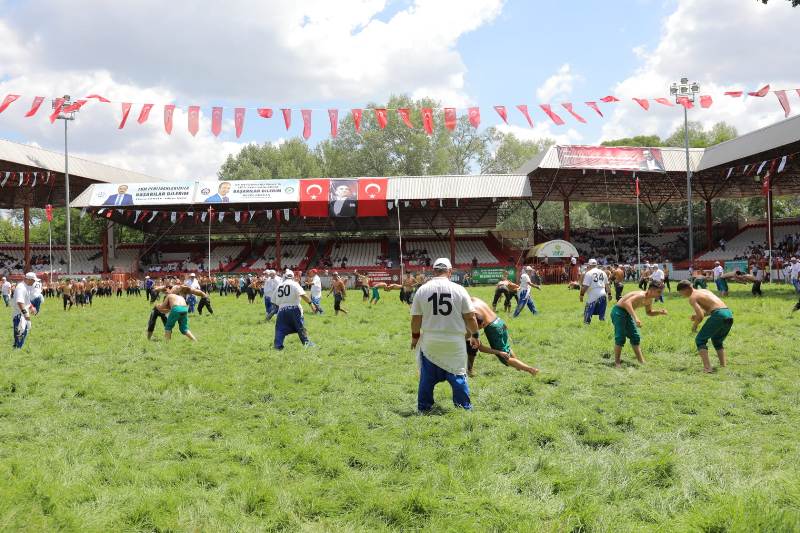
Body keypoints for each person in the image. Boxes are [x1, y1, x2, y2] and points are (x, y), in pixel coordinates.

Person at [411, 258, 479, 412]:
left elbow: (416, 319)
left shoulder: (422, 290)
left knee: (427, 378)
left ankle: (424, 408)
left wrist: (415, 337)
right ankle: (463, 408)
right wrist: (475, 335)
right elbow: (470, 316)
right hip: (454, 341)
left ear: (434, 270)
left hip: (430, 341)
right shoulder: (459, 289)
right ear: (450, 271)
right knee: (458, 376)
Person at [467, 297, 539, 377]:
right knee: (506, 347)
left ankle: (531, 370)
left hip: (492, 328)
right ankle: (519, 366)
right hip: (499, 321)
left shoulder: (469, 309)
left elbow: (480, 348)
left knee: (504, 358)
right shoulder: (475, 299)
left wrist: (498, 352)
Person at [677, 280, 734, 373]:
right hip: (728, 313)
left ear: (686, 289)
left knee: (700, 340)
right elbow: (713, 308)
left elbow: (700, 317)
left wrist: (694, 326)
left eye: (681, 293)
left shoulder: (692, 297)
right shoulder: (704, 291)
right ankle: (723, 365)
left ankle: (707, 368)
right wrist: (698, 315)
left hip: (719, 315)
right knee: (717, 340)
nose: (682, 295)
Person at [610, 280, 668, 368]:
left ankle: (641, 361)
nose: (660, 294)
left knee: (635, 337)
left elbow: (649, 312)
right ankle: (617, 362)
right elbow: (627, 303)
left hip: (627, 313)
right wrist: (635, 317)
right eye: (659, 292)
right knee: (620, 337)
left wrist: (659, 312)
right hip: (618, 312)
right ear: (651, 290)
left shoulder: (650, 300)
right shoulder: (641, 295)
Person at [271, 271, 317, 349]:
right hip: (294, 309)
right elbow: (303, 295)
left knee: (279, 329)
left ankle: (278, 346)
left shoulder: (279, 286)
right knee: (300, 327)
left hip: (281, 310)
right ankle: (306, 343)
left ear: (284, 277)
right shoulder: (294, 284)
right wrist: (311, 304)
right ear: (292, 277)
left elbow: (273, 301)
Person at [580, 259, 610, 325]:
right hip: (603, 293)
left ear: (589, 265)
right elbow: (607, 285)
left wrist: (581, 295)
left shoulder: (588, 273)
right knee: (602, 314)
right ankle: (603, 325)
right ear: (596, 265)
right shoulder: (603, 272)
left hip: (593, 294)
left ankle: (586, 325)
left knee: (588, 311)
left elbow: (585, 286)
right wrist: (609, 294)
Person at [11, 273, 36, 349]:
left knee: (24, 330)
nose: (34, 282)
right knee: (21, 331)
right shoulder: (21, 288)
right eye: (33, 280)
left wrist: (31, 307)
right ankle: (18, 349)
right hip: (19, 314)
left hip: (23, 313)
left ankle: (16, 346)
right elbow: (20, 302)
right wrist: (26, 315)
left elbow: (26, 301)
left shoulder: (27, 287)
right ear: (28, 279)